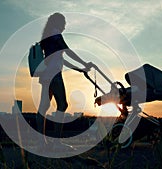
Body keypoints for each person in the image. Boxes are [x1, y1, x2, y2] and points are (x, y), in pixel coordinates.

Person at [36, 12, 92, 150]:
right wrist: (85, 63)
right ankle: (56, 143)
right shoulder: (55, 34)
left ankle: (41, 143)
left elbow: (61, 59)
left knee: (43, 107)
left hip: (46, 75)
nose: (65, 26)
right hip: (54, 75)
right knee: (63, 104)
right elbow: (67, 51)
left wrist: (80, 69)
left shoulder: (48, 36)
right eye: (64, 23)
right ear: (58, 23)